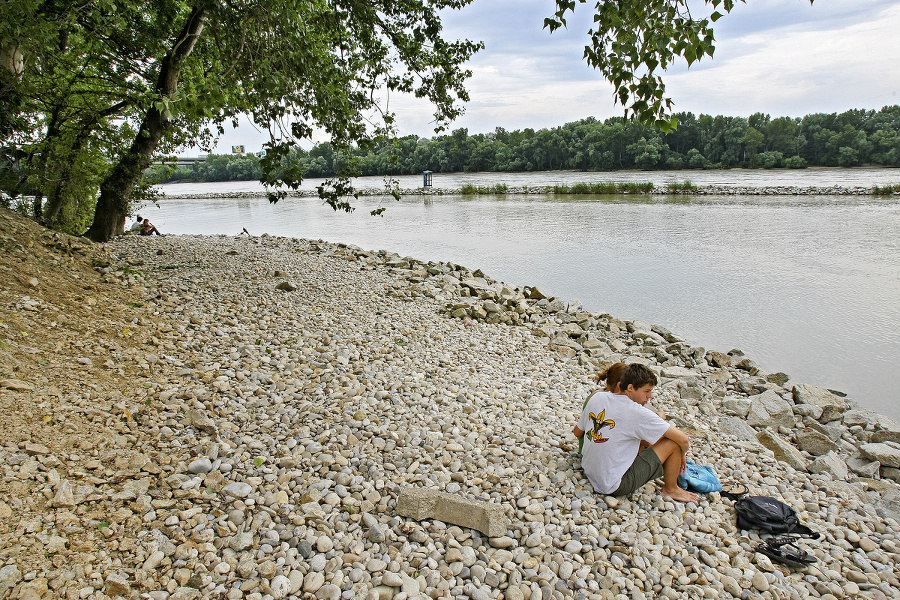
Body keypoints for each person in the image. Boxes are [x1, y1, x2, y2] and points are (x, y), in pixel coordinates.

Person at [573, 363, 697, 503]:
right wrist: (681, 453)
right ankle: (671, 489)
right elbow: (684, 440)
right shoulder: (637, 412)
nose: (650, 396)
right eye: (646, 391)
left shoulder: (597, 397)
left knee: (650, 438)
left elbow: (578, 431)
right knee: (674, 443)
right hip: (614, 485)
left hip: (590, 471)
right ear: (630, 388)